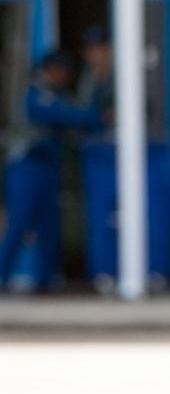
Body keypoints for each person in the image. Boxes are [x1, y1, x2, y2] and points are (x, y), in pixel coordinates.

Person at [0, 49, 103, 292]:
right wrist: (92, 117)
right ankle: (3, 276)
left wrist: (89, 117)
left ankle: (44, 282)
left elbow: (76, 117)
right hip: (26, 167)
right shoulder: (35, 93)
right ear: (49, 70)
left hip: (49, 169)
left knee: (50, 226)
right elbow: (58, 116)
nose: (64, 76)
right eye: (60, 71)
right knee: (20, 222)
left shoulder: (61, 95)